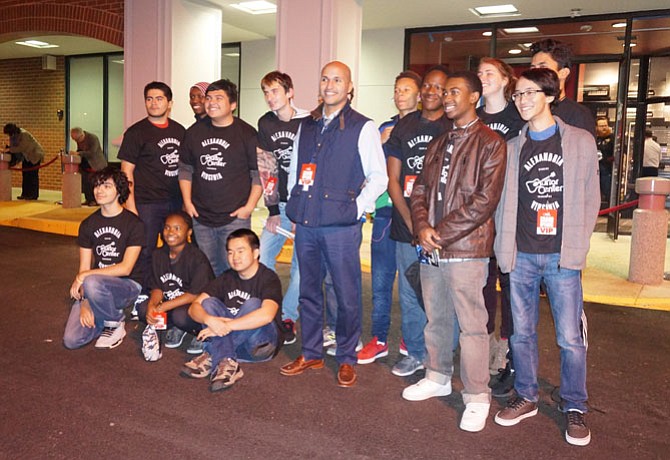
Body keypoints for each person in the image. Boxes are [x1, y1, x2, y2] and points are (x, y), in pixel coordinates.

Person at [493, 68, 599, 447]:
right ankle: (527, 395)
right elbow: (504, 204)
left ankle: (575, 405)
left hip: (561, 256)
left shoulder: (580, 142)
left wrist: (577, 247)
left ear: (551, 94)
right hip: (521, 254)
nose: (521, 101)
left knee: (571, 338)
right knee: (521, 333)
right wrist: (504, 251)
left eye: (529, 93)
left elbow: (591, 199)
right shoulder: (511, 147)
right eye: (517, 95)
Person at [404, 71, 507, 434]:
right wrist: (422, 227)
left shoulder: (492, 142)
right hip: (433, 248)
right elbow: (419, 190)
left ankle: (477, 396)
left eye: (455, 91)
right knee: (437, 319)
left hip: (466, 249)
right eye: (445, 91)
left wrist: (439, 233)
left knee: (473, 327)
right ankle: (438, 376)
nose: (446, 97)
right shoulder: (438, 142)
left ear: (474, 97)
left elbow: (484, 202)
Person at [279, 61, 387, 388]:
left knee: (346, 294)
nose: (330, 85)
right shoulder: (307, 126)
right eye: (325, 78)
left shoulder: (362, 127)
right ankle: (311, 351)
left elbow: (379, 178)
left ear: (349, 87)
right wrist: (295, 201)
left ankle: (345, 357)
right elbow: (296, 170)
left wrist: (356, 208)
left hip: (341, 226)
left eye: (337, 80)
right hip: (308, 224)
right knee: (308, 292)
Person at [383, 66, 451, 377]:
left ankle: (442, 357)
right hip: (406, 227)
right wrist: (414, 224)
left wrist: (434, 227)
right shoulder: (405, 126)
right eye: (427, 86)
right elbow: (393, 180)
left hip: (444, 231)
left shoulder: (454, 126)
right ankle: (414, 352)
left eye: (439, 87)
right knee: (410, 293)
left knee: (442, 296)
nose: (431, 91)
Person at [357, 70, 422, 365]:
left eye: (406, 89)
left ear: (419, 95)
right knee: (381, 281)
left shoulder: (430, 125)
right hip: (385, 211)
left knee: (412, 284)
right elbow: (370, 167)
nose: (400, 94)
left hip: (414, 212)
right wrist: (382, 142)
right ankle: (379, 339)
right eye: (397, 89)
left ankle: (411, 342)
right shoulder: (383, 127)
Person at [181, 229, 283, 393]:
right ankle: (227, 361)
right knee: (208, 303)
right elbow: (194, 307)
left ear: (256, 252)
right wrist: (210, 320)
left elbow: (267, 315)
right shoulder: (226, 277)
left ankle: (212, 354)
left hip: (259, 345)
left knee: (254, 305)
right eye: (230, 252)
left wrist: (226, 325)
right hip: (235, 344)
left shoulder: (268, 278)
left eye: (240, 251)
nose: (235, 257)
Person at [179, 78, 261, 277]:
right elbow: (185, 169)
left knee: (235, 266)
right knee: (207, 268)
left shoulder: (248, 134)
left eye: (218, 98)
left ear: (233, 105)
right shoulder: (194, 133)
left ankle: (232, 305)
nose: (211, 102)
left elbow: (258, 174)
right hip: (201, 216)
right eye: (209, 98)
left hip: (235, 216)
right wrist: (187, 202)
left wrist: (249, 207)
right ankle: (211, 306)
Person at [476, 57, 524, 388]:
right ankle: (484, 343)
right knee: (481, 281)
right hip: (479, 211)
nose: (483, 77)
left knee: (508, 281)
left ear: (506, 79)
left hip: (507, 209)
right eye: (479, 73)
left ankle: (507, 347)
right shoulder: (474, 116)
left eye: (489, 72)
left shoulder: (516, 116)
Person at [63, 167, 145, 350]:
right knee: (72, 340)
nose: (99, 190)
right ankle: (104, 316)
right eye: (97, 185)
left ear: (119, 191)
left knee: (92, 281)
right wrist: (85, 301)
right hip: (95, 288)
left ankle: (115, 322)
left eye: (106, 186)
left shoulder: (134, 224)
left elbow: (126, 268)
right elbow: (84, 268)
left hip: (127, 286)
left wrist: (85, 278)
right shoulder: (88, 225)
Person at [256, 71, 309, 345]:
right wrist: (273, 210)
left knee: (302, 268)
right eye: (265, 92)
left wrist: (302, 212)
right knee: (263, 254)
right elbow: (267, 167)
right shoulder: (265, 123)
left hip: (305, 206)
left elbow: (311, 169)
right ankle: (269, 310)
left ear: (290, 92)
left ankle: (288, 316)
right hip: (281, 206)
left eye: (274, 91)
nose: (269, 97)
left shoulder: (308, 121)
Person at [118, 81, 186, 289]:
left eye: (159, 99)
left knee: (173, 249)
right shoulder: (136, 132)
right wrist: (131, 207)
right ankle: (141, 291)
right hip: (147, 203)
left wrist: (185, 203)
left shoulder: (180, 131)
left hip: (174, 202)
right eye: (149, 99)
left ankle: (168, 289)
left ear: (169, 103)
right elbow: (126, 171)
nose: (154, 103)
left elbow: (186, 170)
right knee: (144, 250)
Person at [137, 211, 215, 360]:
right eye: (167, 228)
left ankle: (196, 331)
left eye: (177, 228)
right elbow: (157, 286)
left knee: (181, 316)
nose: (170, 232)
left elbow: (194, 294)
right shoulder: (158, 255)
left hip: (193, 306)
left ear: (189, 232)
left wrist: (163, 307)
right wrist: (153, 305)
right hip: (171, 304)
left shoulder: (196, 257)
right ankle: (175, 328)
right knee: (142, 309)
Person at [530, 39, 595, 137]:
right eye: (533, 68)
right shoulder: (527, 109)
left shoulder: (578, 114)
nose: (535, 73)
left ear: (563, 73)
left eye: (542, 67)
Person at [3, 123, 44, 200]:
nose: (9, 135)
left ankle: (33, 195)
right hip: (26, 156)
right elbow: (13, 147)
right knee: (25, 175)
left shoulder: (24, 134)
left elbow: (22, 147)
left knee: (33, 175)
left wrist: (9, 149)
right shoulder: (13, 136)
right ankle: (25, 194)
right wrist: (8, 148)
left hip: (34, 155)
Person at [70, 127, 107, 206]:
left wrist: (79, 153)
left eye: (77, 140)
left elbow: (92, 153)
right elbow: (81, 150)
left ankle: (95, 200)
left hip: (96, 164)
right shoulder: (79, 139)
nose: (76, 141)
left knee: (93, 183)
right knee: (85, 182)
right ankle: (88, 199)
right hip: (85, 164)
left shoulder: (93, 138)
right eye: (74, 140)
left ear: (82, 134)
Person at [595, 117, 615, 201]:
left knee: (607, 188)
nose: (604, 128)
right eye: (601, 126)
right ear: (596, 127)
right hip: (595, 168)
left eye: (605, 125)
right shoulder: (594, 138)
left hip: (608, 169)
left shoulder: (613, 139)